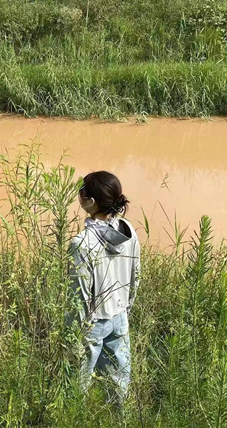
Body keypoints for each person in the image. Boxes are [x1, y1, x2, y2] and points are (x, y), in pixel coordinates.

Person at [68, 171, 140, 398]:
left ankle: (76, 415)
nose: (79, 195)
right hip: (120, 315)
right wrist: (126, 308)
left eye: (82, 191)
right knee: (118, 385)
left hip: (91, 323)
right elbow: (135, 275)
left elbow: (79, 296)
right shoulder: (127, 231)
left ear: (90, 201)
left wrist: (73, 336)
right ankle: (119, 416)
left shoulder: (82, 243)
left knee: (77, 386)